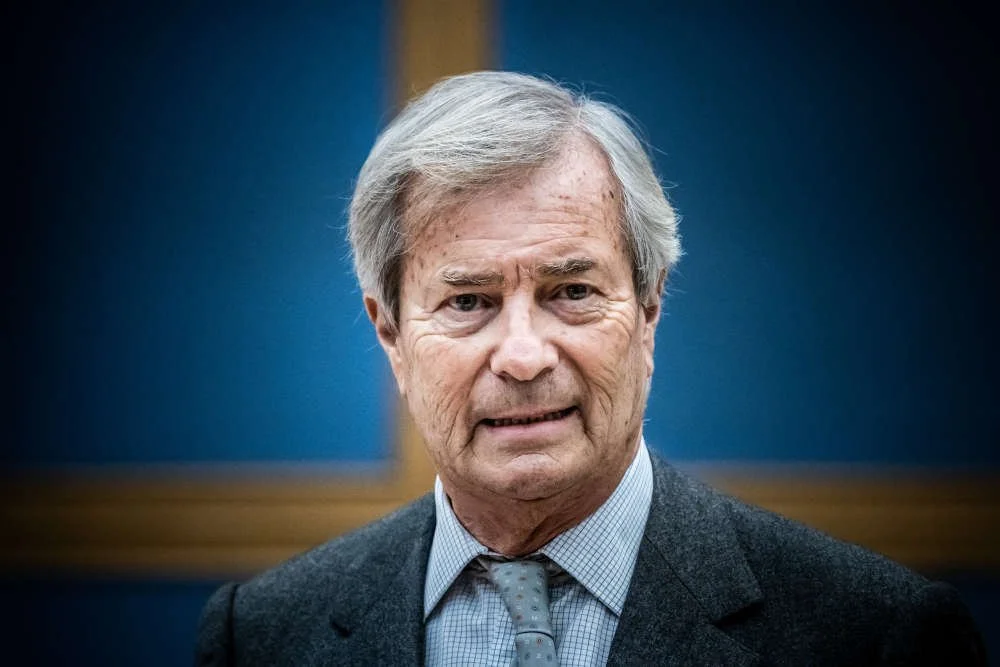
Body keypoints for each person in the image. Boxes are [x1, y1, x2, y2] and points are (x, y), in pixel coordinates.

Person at [196, 71, 986, 666]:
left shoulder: (879, 634)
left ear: (649, 309)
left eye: (571, 291)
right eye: (468, 300)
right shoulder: (259, 636)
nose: (524, 355)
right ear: (392, 334)